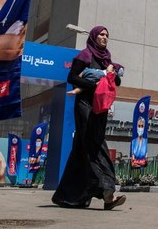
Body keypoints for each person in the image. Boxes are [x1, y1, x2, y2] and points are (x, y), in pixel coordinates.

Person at [52, 26, 126, 210]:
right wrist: (94, 85)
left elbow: (116, 82)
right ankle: (108, 193)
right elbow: (72, 77)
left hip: (100, 107)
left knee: (81, 149)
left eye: (107, 35)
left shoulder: (107, 59)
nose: (104, 37)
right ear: (94, 36)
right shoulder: (85, 55)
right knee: (95, 144)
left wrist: (111, 76)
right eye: (101, 34)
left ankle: (70, 197)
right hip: (85, 106)